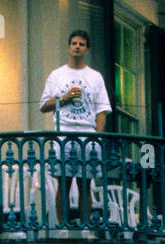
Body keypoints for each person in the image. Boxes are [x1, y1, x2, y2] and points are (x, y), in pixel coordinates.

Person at [39, 30, 111, 227]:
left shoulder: (95, 77)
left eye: (81, 44)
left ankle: (86, 225)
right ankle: (62, 226)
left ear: (87, 49)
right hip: (63, 135)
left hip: (87, 136)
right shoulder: (57, 75)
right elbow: (43, 106)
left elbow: (101, 111)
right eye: (74, 43)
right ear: (68, 47)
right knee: (64, 183)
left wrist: (98, 137)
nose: (77, 46)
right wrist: (64, 98)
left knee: (85, 184)